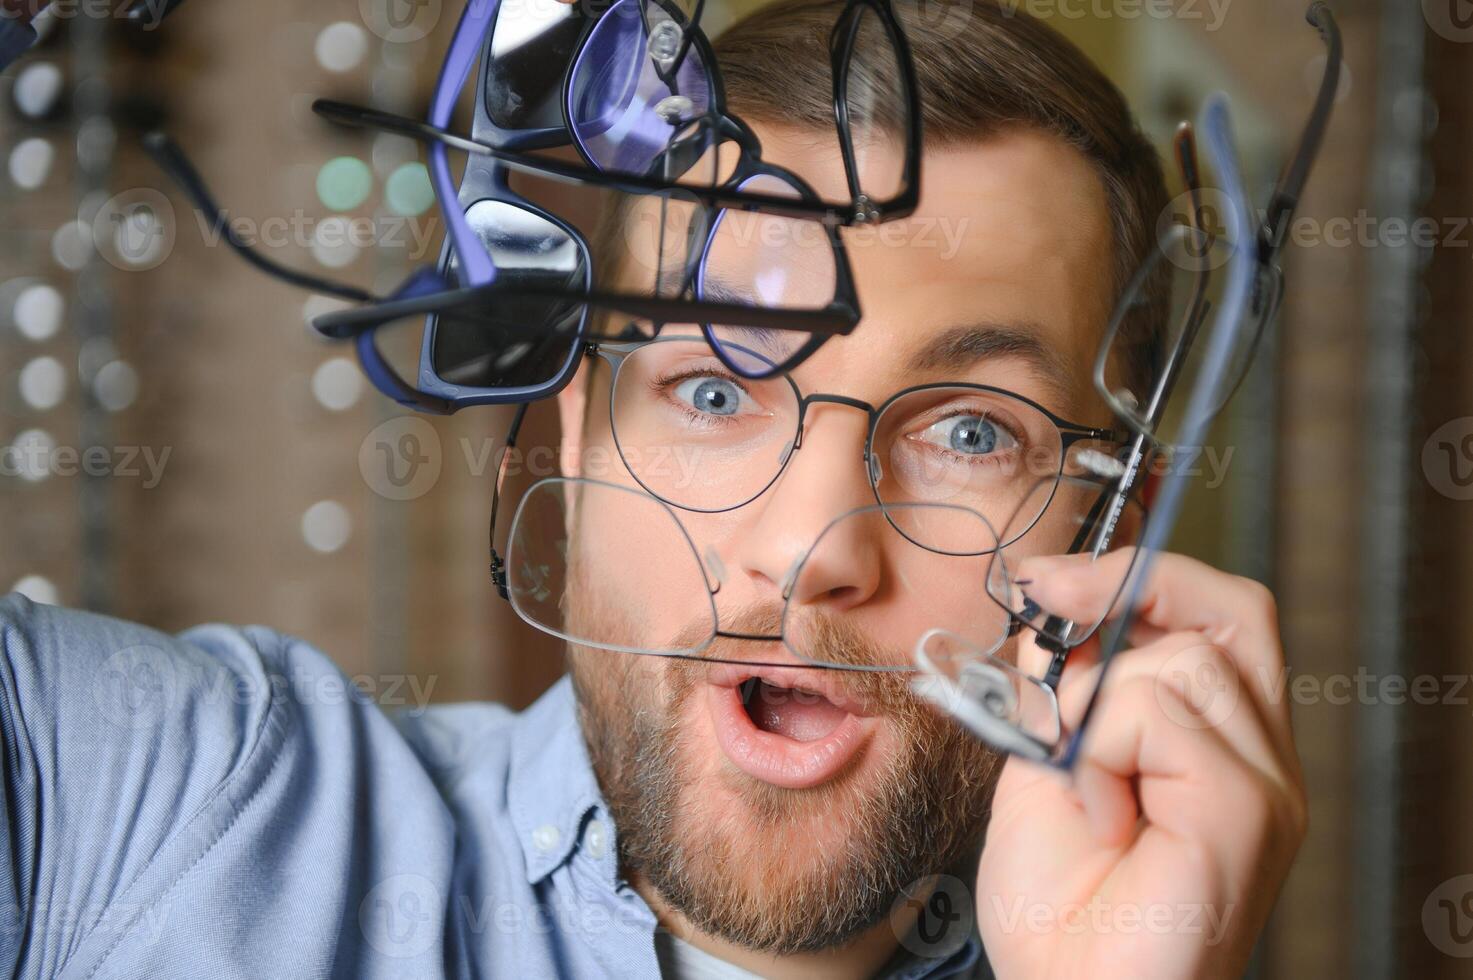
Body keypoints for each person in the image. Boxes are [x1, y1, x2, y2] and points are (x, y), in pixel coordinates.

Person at [0, 1, 1305, 977]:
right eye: (716, 393)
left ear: (1109, 537)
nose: (807, 552)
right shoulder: (142, 799)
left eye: (968, 432)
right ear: (573, 429)